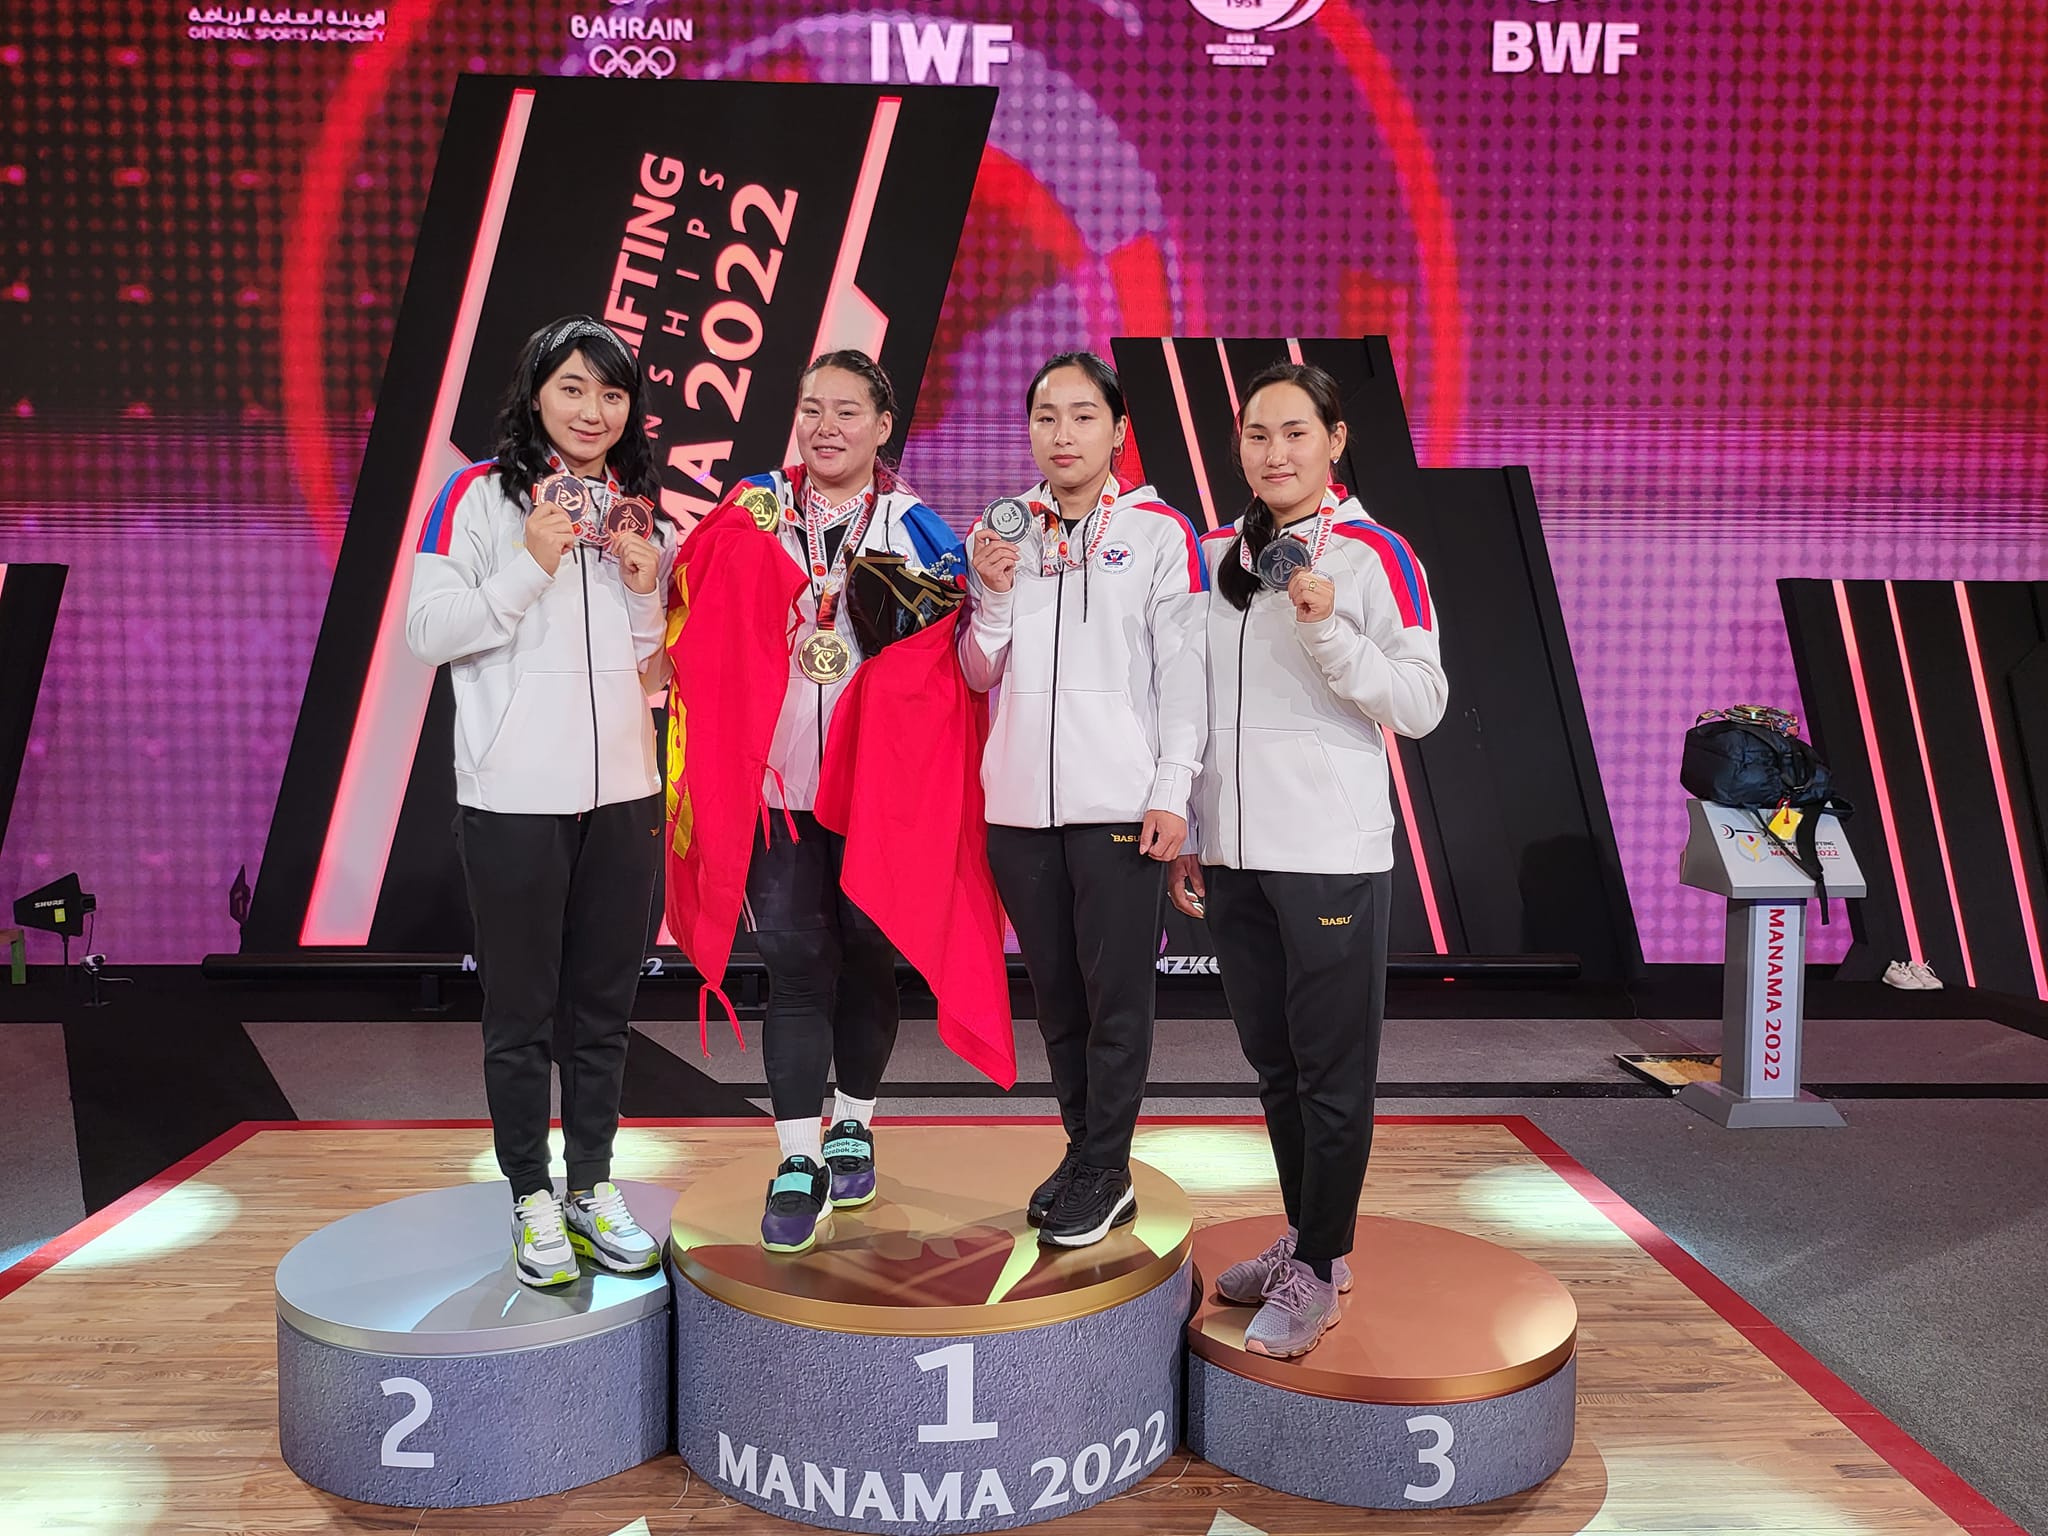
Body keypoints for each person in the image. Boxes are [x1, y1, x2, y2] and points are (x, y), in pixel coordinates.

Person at [1172, 360, 1447, 1356]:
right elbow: (1194, 701)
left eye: (1295, 432)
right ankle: (1308, 1238)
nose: (1274, 452)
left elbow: (1420, 704)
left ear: (1334, 440)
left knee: (1332, 1074)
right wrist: (1191, 827)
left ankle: (1322, 1268)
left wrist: (1327, 626)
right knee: (1275, 1066)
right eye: (1257, 433)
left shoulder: (1377, 554)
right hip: (1234, 857)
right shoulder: (1217, 555)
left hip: (1330, 854)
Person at [406, 315, 673, 1287]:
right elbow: (428, 632)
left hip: (624, 795)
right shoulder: (475, 497)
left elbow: (651, 668)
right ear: (534, 393)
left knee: (602, 1012)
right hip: (513, 796)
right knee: (520, 1014)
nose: (593, 410)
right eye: (572, 388)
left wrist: (644, 588)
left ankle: (592, 1186)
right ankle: (529, 1195)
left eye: (611, 393)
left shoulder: (640, 513)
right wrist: (529, 563)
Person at [712, 350, 967, 1255]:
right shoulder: (753, 509)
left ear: (883, 425)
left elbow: (956, 658)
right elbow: (694, 600)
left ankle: (853, 1120)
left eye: (847, 411)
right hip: (778, 784)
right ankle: (795, 1157)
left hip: (877, 792)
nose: (826, 427)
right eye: (812, 408)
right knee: (793, 964)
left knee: (866, 957)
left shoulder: (919, 528)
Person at [963, 351, 1207, 1248]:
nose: (1061, 434)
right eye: (1045, 417)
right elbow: (977, 671)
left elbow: (1185, 676)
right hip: (1019, 808)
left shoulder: (1159, 532)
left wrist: (1173, 790)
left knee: (1117, 1001)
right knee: (1058, 1000)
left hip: (1120, 805)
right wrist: (992, 595)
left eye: (1082, 416)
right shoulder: (1002, 529)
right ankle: (1084, 1154)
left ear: (1118, 430)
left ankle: (1108, 1166)